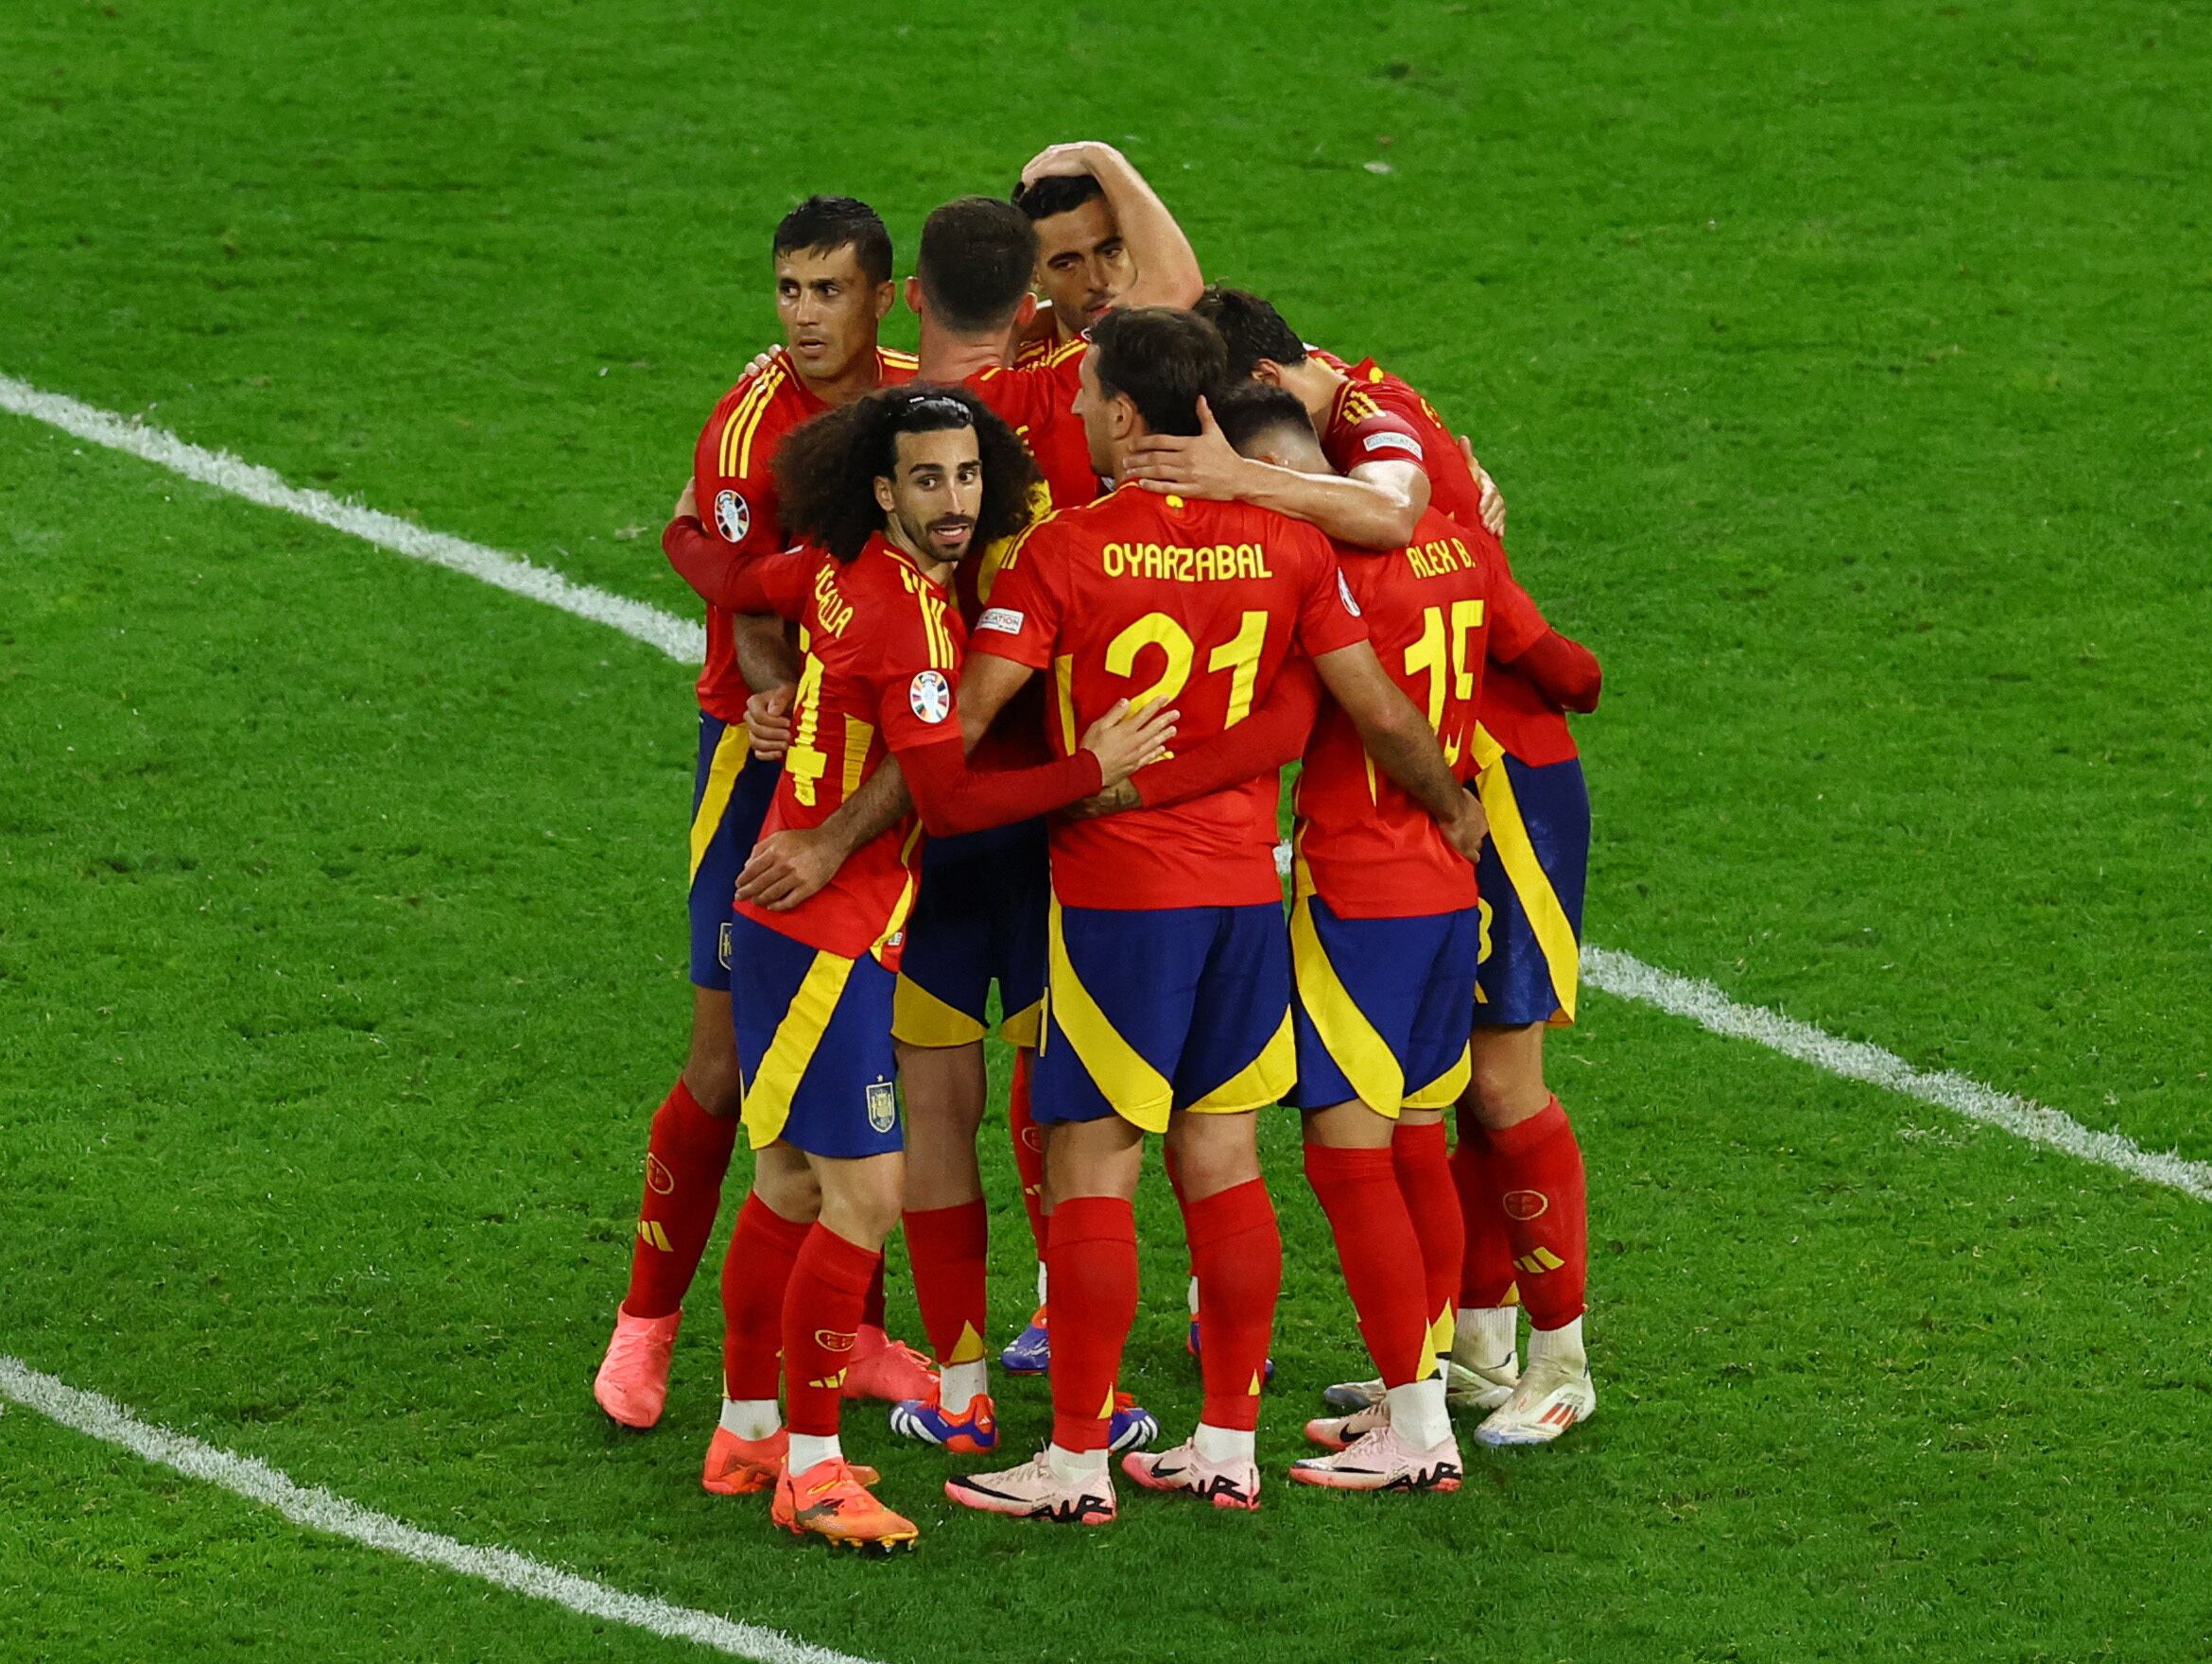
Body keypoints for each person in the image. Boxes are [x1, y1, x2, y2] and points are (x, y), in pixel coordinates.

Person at [941, 307, 1484, 1526]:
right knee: (1226, 1159)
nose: (1075, 410)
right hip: (1247, 895)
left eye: (1087, 393)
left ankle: (1076, 1460)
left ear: (1129, 415)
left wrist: (1071, 774)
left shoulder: (1062, 553)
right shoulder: (1288, 550)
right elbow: (1379, 713)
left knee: (1093, 1163)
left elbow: (962, 735)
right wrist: (1453, 804)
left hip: (1123, 900)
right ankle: (1228, 1440)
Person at [679, 384, 1177, 1549]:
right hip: (827, 930)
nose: (954, 502)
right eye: (929, 481)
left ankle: (749, 1426)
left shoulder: (823, 569)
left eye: (966, 477)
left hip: (796, 917)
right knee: (864, 1195)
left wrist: (761, 656)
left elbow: (740, 579)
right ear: (882, 488)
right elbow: (947, 800)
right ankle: (811, 1465)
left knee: (792, 1189)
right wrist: (1087, 769)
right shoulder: (912, 617)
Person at [1126, 287, 1606, 1444]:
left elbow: (1319, 699)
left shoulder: (1352, 509)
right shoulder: (1397, 469)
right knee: (1424, 1107)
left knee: (1493, 1089)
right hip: (1449, 800)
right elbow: (1567, 660)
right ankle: (1449, 1358)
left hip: (1481, 802)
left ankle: (1559, 1360)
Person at [594, 196, 932, 1433]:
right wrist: (780, 694)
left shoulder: (913, 400)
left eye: (826, 291)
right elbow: (745, 598)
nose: (801, 315)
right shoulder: (748, 430)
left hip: (882, 761)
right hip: (761, 758)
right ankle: (646, 1325)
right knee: (726, 1059)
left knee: (868, 1047)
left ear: (881, 299)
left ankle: (863, 1332)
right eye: (788, 289)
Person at [879, 178, 1201, 1438]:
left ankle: (960, 1395)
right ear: (1033, 300)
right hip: (1080, 815)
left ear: (915, 297)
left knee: (935, 1106)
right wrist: (1105, 158)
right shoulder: (1060, 409)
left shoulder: (887, 436)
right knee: (1073, 1112)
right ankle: (1092, 1387)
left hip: (938, 820)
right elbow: (1177, 300)